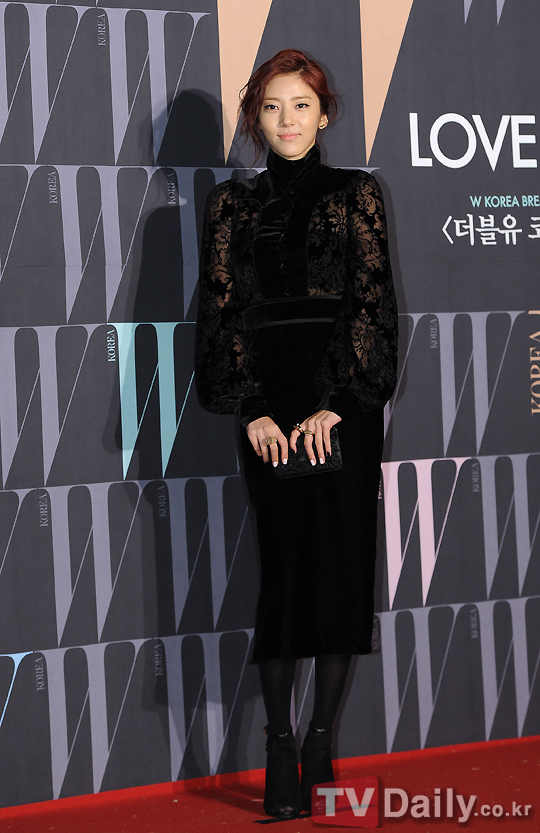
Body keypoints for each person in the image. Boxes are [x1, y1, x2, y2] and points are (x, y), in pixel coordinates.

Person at [194, 49, 398, 819]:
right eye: (273, 106)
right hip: (269, 413)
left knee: (342, 573)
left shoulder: (357, 193)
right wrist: (251, 409)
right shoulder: (231, 205)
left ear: (325, 113)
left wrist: (340, 401)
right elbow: (219, 310)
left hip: (343, 407)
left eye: (301, 105)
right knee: (284, 576)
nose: (288, 120)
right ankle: (279, 744)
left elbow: (372, 303)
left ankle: (320, 740)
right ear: (256, 116)